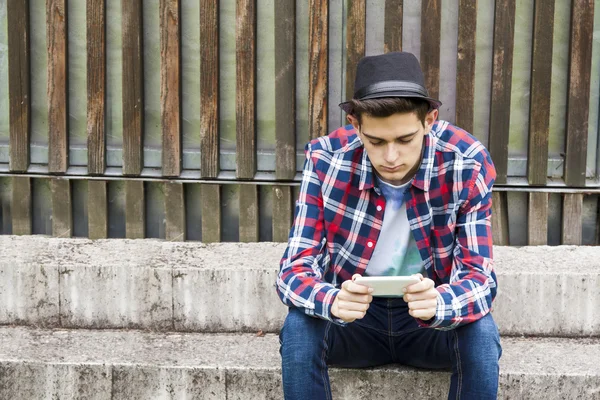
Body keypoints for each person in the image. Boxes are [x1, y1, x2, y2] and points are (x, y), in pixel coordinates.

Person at [276, 51, 502, 399]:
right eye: (376, 142)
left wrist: (440, 303)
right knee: (298, 327)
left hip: (430, 322)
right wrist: (332, 299)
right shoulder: (325, 159)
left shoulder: (466, 161)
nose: (391, 157)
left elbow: (479, 278)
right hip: (353, 321)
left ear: (429, 120)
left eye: (405, 140)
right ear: (355, 124)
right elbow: (293, 270)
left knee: (482, 335)